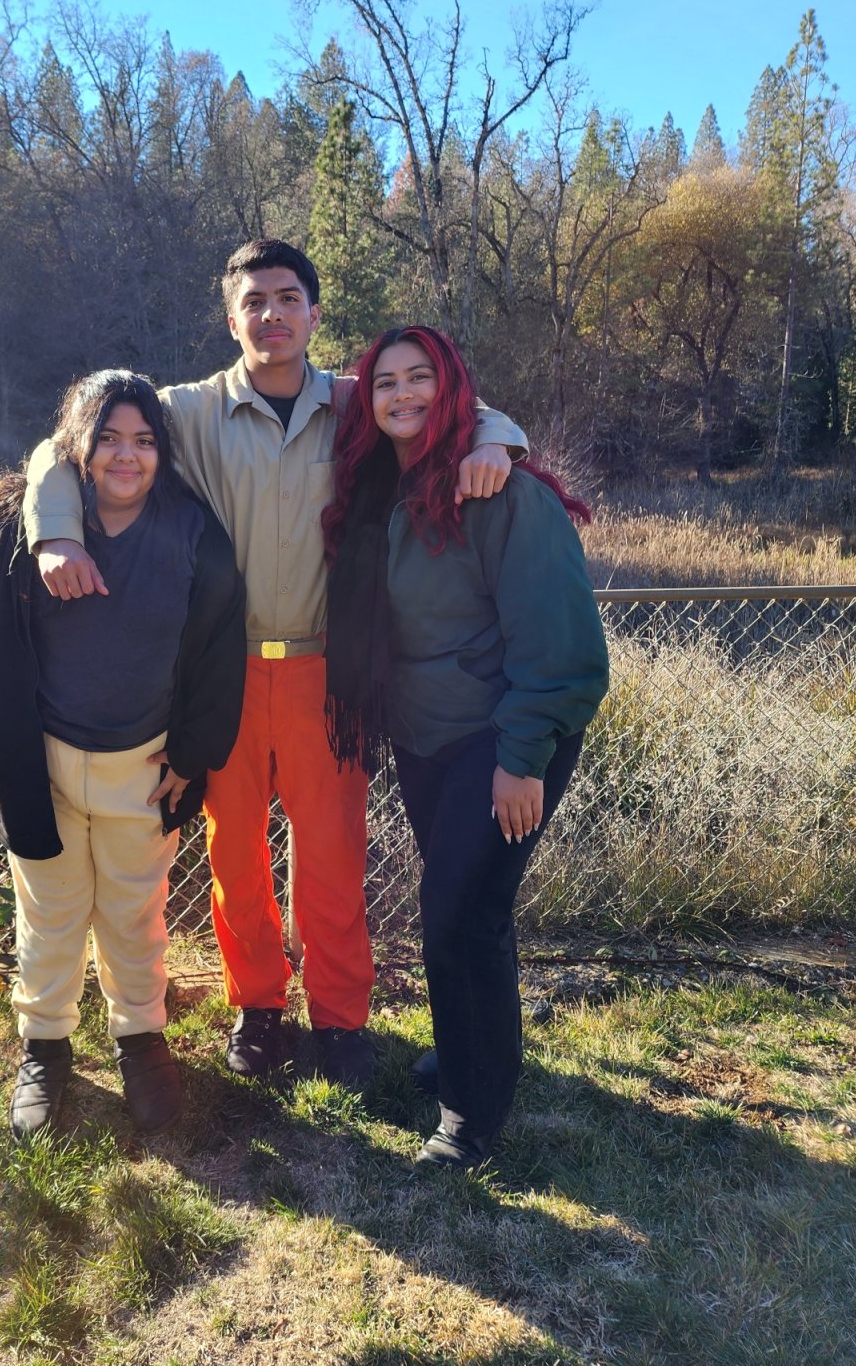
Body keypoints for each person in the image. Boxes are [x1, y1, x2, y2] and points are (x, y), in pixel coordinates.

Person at [21, 241, 527, 1088]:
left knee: (332, 855)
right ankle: (258, 1009)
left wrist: (499, 447)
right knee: (235, 856)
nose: (273, 315)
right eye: (254, 302)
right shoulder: (185, 411)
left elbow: (466, 412)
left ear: (315, 314)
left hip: (332, 671)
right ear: (231, 319)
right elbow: (60, 446)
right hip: (221, 671)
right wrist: (56, 530)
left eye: (289, 299)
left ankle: (339, 1020)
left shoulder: (361, 403)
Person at [322, 326, 608, 1167]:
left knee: (453, 916)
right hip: (425, 736)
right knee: (470, 911)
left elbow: (563, 649)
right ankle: (473, 1051)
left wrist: (521, 758)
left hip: (505, 735)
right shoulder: (383, 485)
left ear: (454, 391)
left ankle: (469, 1116)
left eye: (421, 380)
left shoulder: (503, 492)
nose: (402, 395)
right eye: (386, 384)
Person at [0, 371, 245, 1137]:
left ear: (161, 453)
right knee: (48, 916)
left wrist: (194, 752)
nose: (126, 456)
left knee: (134, 916)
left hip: (142, 767)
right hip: (39, 763)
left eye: (143, 441)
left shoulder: (194, 531)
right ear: (75, 443)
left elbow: (217, 653)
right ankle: (45, 1050)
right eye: (108, 438)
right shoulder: (14, 529)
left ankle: (140, 1040)